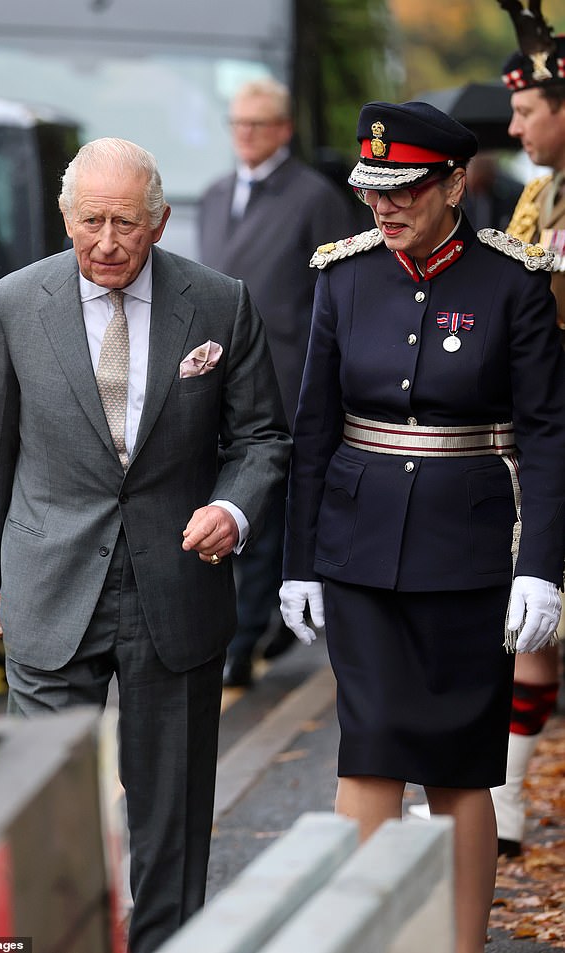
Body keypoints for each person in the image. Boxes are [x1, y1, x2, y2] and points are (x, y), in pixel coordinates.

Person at [0, 138, 291, 953]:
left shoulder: (220, 303)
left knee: (170, 811)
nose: (106, 242)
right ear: (65, 219)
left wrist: (232, 509)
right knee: (43, 798)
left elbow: (262, 437)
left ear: (161, 223)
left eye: (126, 224)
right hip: (48, 577)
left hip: (175, 584)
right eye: (90, 222)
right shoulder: (12, 302)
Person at [279, 100, 565, 953]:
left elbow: (549, 434)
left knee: (458, 767)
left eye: (403, 190)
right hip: (359, 550)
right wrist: (300, 562)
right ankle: (365, 940)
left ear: (452, 183)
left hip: (470, 553)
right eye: (372, 192)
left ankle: (456, 943)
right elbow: (314, 430)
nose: (384, 207)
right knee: (367, 750)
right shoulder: (344, 274)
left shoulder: (511, 281)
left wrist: (541, 566)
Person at [198, 77, 362, 687]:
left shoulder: (314, 197)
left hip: (287, 377)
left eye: (258, 125)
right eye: (238, 124)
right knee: (218, 508)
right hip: (213, 377)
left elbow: (337, 293)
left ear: (284, 130)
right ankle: (225, 634)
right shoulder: (215, 194)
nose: (246, 135)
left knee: (264, 515)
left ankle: (242, 644)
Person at [490, 1, 565, 858]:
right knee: (532, 620)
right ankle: (505, 797)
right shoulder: (540, 192)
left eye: (528, 109)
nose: (515, 125)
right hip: (540, 426)